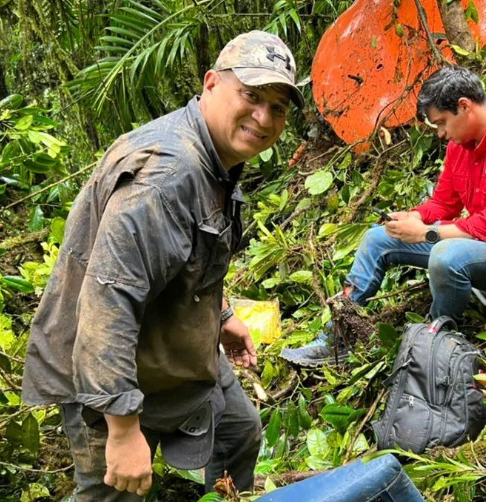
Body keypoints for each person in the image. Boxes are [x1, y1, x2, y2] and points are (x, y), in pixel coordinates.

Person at [21, 30, 304, 500]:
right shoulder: (167, 175)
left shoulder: (213, 154)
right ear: (212, 83)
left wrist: (224, 316)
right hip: (108, 368)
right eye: (252, 96)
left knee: (238, 432)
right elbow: (108, 298)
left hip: (174, 345)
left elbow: (182, 253)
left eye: (278, 107)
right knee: (113, 490)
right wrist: (122, 426)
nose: (263, 117)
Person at [282, 65, 486, 367]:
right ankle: (334, 340)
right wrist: (414, 217)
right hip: (483, 242)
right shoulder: (461, 143)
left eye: (442, 123)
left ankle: (436, 345)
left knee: (446, 256)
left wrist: (428, 233)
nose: (441, 134)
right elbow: (445, 201)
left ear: (464, 106)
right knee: (378, 239)